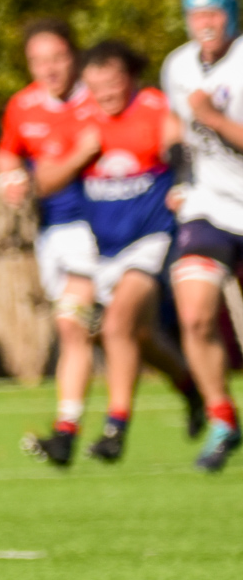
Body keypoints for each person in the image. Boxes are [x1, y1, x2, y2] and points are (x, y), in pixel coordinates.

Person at [36, 40, 185, 461]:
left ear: (131, 78)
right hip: (101, 251)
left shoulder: (153, 106)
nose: (105, 93)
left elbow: (177, 144)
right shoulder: (81, 121)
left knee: (117, 324)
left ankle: (114, 430)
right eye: (96, 85)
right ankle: (189, 387)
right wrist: (81, 154)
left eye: (113, 83)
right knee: (127, 334)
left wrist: (180, 174)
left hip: (151, 241)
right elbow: (44, 182)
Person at [0, 20, 99, 466]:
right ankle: (196, 394)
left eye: (58, 57)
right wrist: (8, 177)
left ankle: (66, 433)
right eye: (39, 61)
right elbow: (8, 152)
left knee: (72, 325)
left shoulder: (99, 97)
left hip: (102, 229)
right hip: (52, 232)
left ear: (74, 56)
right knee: (125, 333)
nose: (50, 68)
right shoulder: (22, 105)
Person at [164, 0, 243, 471]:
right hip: (207, 206)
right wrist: (174, 169)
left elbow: (206, 119)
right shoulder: (177, 65)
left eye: (214, 12)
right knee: (194, 314)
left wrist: (213, 119)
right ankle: (222, 418)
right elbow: (174, 121)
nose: (205, 23)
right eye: (196, 13)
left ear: (232, 14)